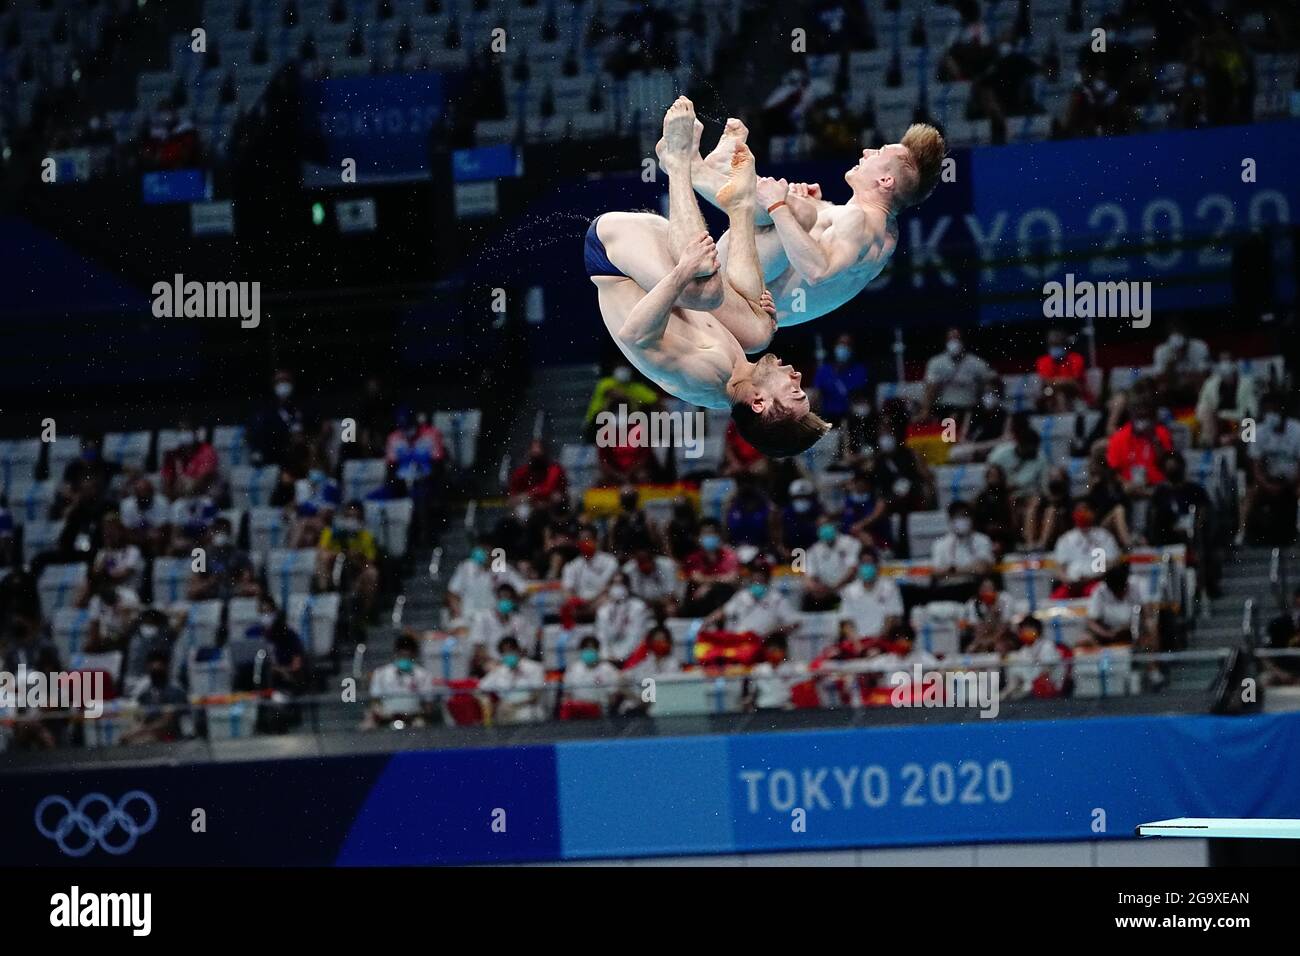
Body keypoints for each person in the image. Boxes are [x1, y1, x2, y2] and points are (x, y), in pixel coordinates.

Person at [589, 98, 830, 457]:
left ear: (760, 404)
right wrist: (752, 310)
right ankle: (739, 207)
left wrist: (682, 270)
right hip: (660, 254)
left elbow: (635, 335)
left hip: (612, 255)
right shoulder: (735, 373)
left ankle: (678, 162)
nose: (797, 377)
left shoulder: (708, 376)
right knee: (760, 330)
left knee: (705, 290)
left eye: (794, 390)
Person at [682, 117, 946, 328]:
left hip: (735, 300)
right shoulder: (886, 233)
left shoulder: (859, 221)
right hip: (749, 314)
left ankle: (692, 169)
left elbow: (817, 272)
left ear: (886, 181)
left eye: (878, 153)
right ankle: (723, 169)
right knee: (801, 210)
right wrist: (819, 208)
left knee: (795, 210)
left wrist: (781, 207)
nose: (866, 151)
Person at [1244, 392, 1300, 546]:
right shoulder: (1258, 431)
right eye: (1268, 411)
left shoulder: (1297, 430)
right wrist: (1267, 484)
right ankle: (1242, 533)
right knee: (1250, 493)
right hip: (1267, 480)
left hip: (1292, 479)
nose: (1272, 415)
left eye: (1274, 410)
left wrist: (1291, 482)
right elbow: (1256, 465)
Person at [922, 328, 998, 421]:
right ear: (945, 341)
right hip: (944, 409)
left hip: (970, 409)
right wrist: (925, 410)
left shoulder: (977, 362)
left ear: (963, 341)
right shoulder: (936, 362)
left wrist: (989, 398)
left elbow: (992, 381)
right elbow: (930, 388)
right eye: (951, 339)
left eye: (957, 338)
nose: (954, 342)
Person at [708, 565, 800, 639]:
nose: (757, 584)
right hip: (740, 641)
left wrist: (774, 633)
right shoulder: (741, 596)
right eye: (755, 581)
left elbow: (794, 622)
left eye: (760, 581)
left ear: (767, 581)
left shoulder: (777, 599)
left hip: (764, 643)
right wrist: (707, 622)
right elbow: (723, 612)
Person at [367, 633, 435, 728]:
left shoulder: (424, 675)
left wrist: (414, 714)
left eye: (408, 656)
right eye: (402, 655)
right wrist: (383, 714)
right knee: (368, 724)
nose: (404, 659)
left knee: (420, 724)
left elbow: (428, 705)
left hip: (413, 719)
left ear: (414, 655)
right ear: (396, 654)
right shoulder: (381, 673)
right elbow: (375, 701)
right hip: (386, 718)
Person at [122, 650, 189, 744]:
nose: (155, 670)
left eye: (159, 668)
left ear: (166, 667)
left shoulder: (175, 690)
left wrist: (141, 731)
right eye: (152, 668)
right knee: (126, 739)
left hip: (171, 736)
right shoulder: (145, 693)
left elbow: (167, 721)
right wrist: (134, 730)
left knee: (141, 741)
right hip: (149, 733)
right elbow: (140, 717)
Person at [446, 542, 526, 621]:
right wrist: (458, 614)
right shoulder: (466, 567)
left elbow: (523, 590)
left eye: (485, 549)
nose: (482, 552)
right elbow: (453, 593)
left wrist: (508, 605)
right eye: (480, 549)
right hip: (470, 618)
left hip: (496, 620)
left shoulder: (504, 569)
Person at [477, 636, 548, 724]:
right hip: (504, 713)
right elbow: (480, 689)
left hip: (528, 710)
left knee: (524, 716)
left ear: (518, 650)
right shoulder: (500, 670)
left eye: (510, 651)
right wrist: (487, 702)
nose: (507, 655)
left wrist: (514, 704)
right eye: (504, 653)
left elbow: (536, 696)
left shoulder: (535, 668)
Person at [1053, 502, 1120, 591]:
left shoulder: (1104, 536)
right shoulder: (1065, 539)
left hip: (1097, 583)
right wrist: (1068, 581)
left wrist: (1093, 577)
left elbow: (1113, 562)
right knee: (1054, 600)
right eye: (1079, 510)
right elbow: (1059, 568)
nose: (1082, 513)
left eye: (1085, 510)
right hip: (1071, 585)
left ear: (1092, 513)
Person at [931, 501, 995, 594]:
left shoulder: (983, 540)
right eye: (957, 517)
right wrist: (970, 569)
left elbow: (982, 568)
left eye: (965, 516)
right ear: (951, 520)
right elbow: (937, 572)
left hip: (974, 589)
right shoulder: (940, 544)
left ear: (971, 518)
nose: (961, 520)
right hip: (949, 590)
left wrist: (952, 570)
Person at [1195, 353, 1257, 448]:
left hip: (1239, 418)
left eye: (1228, 361)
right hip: (1217, 421)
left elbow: (1253, 410)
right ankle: (1210, 445)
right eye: (1222, 361)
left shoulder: (1248, 383)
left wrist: (1227, 417)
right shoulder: (1210, 384)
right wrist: (1215, 416)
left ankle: (1244, 448)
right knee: (1205, 412)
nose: (1225, 364)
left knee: (1249, 420)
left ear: (1235, 364)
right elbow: (1201, 409)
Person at [838, 551, 903, 638]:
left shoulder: (889, 588)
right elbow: (846, 621)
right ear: (858, 566)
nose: (866, 567)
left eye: (870, 563)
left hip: (883, 640)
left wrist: (878, 641)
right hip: (857, 642)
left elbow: (892, 618)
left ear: (877, 566)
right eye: (863, 563)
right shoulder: (849, 591)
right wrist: (857, 643)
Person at [802, 515, 861, 611]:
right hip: (825, 594)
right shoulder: (813, 551)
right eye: (821, 526)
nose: (824, 528)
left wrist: (834, 588)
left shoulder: (851, 543)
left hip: (848, 590)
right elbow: (808, 577)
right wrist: (817, 588)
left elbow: (852, 570)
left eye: (826, 524)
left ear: (833, 525)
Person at [594, 572, 653, 661]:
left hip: (632, 656)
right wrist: (606, 655)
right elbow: (601, 637)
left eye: (620, 583)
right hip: (609, 657)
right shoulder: (603, 610)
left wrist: (623, 656)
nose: (617, 588)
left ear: (627, 586)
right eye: (614, 583)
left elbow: (636, 635)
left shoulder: (638, 607)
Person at [812, 333, 869, 424]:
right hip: (827, 415)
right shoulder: (824, 370)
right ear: (835, 346)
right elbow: (816, 394)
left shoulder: (859, 370)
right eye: (841, 343)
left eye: (847, 344)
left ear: (852, 349)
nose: (844, 347)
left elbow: (860, 395)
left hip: (851, 415)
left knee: (863, 410)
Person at [560, 635, 621, 718]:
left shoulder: (609, 670)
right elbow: (567, 694)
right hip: (576, 708)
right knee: (566, 707)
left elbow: (613, 697)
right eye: (585, 649)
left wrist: (603, 706)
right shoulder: (573, 669)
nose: (588, 651)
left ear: (597, 650)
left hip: (599, 709)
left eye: (591, 648)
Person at [1035, 328, 1089, 411]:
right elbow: (1046, 381)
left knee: (1060, 392)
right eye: (1053, 344)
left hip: (1077, 394)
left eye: (1058, 344)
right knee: (1053, 393)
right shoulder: (1043, 361)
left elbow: (1074, 382)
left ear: (1065, 345)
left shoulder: (1076, 358)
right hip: (1051, 394)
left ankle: (1063, 418)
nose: (1055, 347)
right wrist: (1063, 381)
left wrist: (1056, 382)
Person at [744, 635, 800, 711]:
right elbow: (751, 691)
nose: (772, 653)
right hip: (763, 706)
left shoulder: (792, 668)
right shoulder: (758, 669)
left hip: (785, 707)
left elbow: (797, 691)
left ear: (783, 651)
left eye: (776, 650)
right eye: (770, 650)